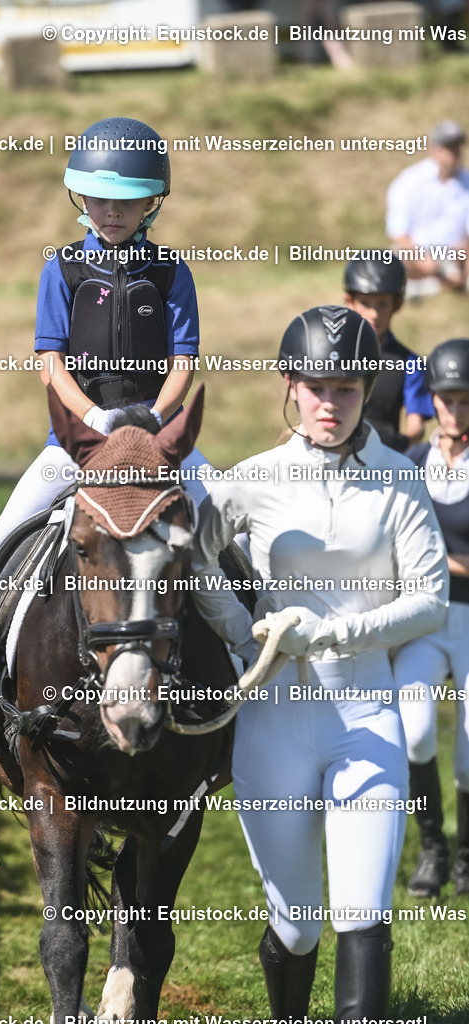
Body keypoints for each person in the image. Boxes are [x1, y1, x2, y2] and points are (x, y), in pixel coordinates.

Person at [192, 306, 448, 1022]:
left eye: (344, 388)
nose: (328, 402)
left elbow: (428, 601)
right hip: (272, 726)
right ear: (290, 386)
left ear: (366, 388)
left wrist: (331, 637)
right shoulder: (253, 478)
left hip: (366, 718)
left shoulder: (400, 480)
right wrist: (242, 631)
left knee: (360, 911)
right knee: (298, 923)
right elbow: (192, 557)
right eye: (314, 386)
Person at [0, 116, 210, 730]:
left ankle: (245, 660)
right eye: (101, 199)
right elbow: (49, 361)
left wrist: (154, 422)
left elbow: (185, 362)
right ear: (81, 197)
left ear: (150, 204)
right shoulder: (61, 269)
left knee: (226, 530)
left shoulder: (171, 272)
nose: (112, 211)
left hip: (157, 447)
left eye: (128, 201)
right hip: (75, 445)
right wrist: (94, 418)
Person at [393, 338, 469, 898]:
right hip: (425, 619)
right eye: (446, 400)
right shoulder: (414, 461)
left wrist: (439, 561)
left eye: (464, 400)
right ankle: (432, 849)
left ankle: (465, 855)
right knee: (416, 731)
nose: (454, 410)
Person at [343, 251, 434, 450]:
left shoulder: (410, 362)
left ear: (398, 304)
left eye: (382, 304)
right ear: (349, 301)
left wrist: (396, 443)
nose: (374, 314)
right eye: (365, 303)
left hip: (382, 460)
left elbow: (416, 427)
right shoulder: (334, 353)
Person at [386, 120, 469, 294]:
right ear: (433, 150)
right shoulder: (409, 181)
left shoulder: (466, 183)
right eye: (448, 148)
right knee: (395, 258)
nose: (453, 154)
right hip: (417, 252)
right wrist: (424, 260)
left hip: (456, 253)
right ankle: (432, 282)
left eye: (456, 148)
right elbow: (399, 232)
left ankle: (437, 284)